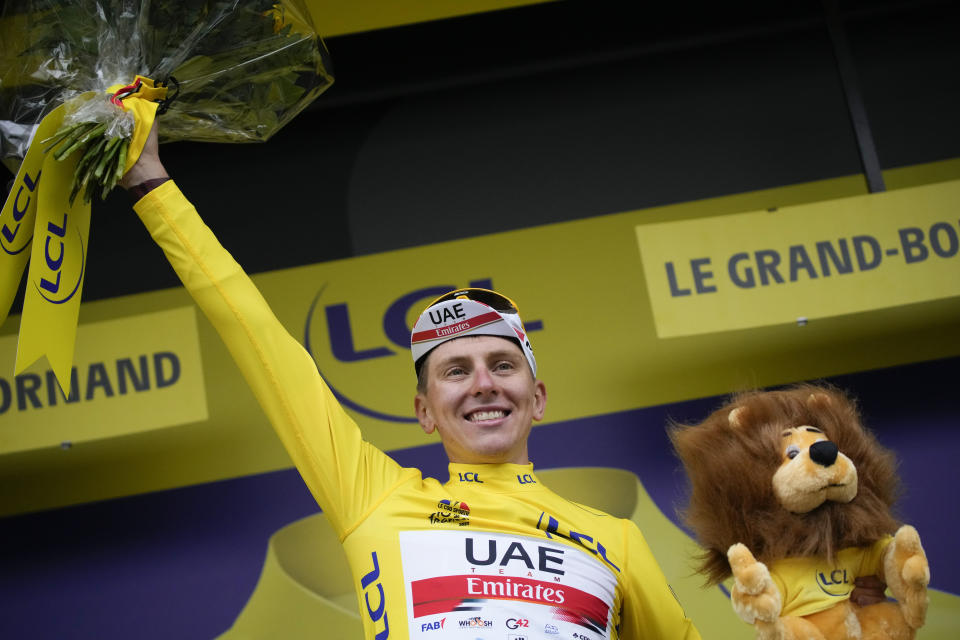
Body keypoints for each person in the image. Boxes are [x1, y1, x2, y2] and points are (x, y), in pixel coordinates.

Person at [121, 123, 702, 639]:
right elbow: (254, 336)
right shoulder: (374, 498)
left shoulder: (617, 540)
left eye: (502, 364)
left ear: (538, 398)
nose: (483, 383)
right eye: (456, 371)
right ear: (424, 411)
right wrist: (152, 184)